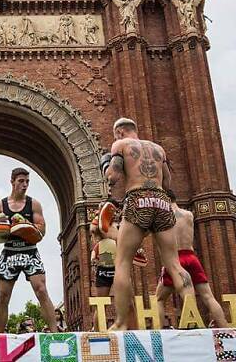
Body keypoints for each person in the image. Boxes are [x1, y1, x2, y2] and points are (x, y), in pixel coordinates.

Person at [103, 117, 195, 330]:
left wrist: (107, 164)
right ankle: (192, 318)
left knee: (122, 263)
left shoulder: (121, 145)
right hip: (162, 201)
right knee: (174, 263)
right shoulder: (159, 149)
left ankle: (122, 322)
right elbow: (168, 183)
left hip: (138, 198)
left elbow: (113, 177)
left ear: (119, 132)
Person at [0, 168, 58, 333]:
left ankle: (55, 333)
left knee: (42, 290)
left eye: (27, 181)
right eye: (21, 181)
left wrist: (26, 226)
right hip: (9, 252)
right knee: (2, 296)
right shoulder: (0, 205)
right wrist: (2, 226)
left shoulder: (33, 204)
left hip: (29, 251)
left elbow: (41, 232)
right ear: (12, 181)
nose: (25, 184)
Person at [155, 189, 228, 328]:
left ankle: (160, 330)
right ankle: (226, 328)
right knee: (208, 296)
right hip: (191, 257)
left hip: (175, 259)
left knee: (159, 299)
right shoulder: (189, 215)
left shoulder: (162, 217)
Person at [89, 198, 138, 330]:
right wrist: (100, 213)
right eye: (111, 210)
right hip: (104, 271)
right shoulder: (99, 226)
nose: (114, 213)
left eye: (115, 211)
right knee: (101, 304)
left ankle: (135, 332)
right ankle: (97, 332)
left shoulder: (119, 227)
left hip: (119, 269)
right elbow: (93, 230)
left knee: (130, 303)